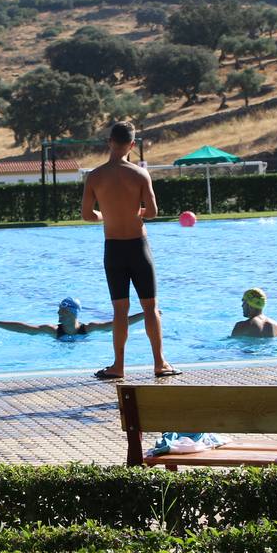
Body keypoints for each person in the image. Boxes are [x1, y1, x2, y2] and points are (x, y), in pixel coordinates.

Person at [81, 121, 177, 380]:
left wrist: (105, 214)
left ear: (109, 141)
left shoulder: (96, 176)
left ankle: (118, 366)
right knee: (150, 308)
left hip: (113, 249)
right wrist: (137, 211)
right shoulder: (140, 174)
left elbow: (87, 215)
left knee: (120, 310)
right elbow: (154, 212)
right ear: (132, 145)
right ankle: (160, 363)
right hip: (138, 247)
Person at [0, 297, 144, 338]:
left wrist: (146, 314)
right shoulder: (53, 330)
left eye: (62, 312)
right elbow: (25, 328)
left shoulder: (88, 328)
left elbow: (118, 324)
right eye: (59, 311)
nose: (58, 314)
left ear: (73, 313)